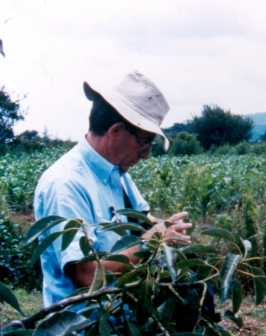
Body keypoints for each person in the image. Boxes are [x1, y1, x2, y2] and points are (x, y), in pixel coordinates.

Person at [34, 71, 192, 307]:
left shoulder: (116, 173)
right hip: (84, 328)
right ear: (116, 131)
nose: (147, 154)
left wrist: (167, 227)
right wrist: (153, 241)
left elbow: (141, 220)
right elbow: (85, 275)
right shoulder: (65, 184)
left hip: (121, 319)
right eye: (145, 141)